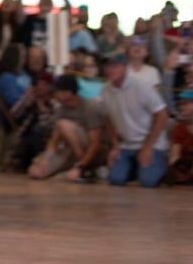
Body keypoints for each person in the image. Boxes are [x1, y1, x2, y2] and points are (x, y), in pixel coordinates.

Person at [101, 53, 170, 188]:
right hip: (127, 143)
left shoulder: (142, 86)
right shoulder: (105, 90)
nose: (111, 70)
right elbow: (107, 117)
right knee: (116, 180)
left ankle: (157, 164)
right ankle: (132, 168)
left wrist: (148, 146)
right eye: (108, 66)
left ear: (125, 67)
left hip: (151, 142)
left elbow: (162, 114)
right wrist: (115, 144)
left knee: (148, 181)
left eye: (115, 66)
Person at [27, 74, 103, 181]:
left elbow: (95, 143)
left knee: (63, 124)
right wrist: (47, 159)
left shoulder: (89, 107)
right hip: (67, 150)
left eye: (56, 91)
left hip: (87, 150)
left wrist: (81, 165)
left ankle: (83, 167)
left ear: (68, 92)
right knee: (35, 172)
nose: (53, 93)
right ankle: (70, 170)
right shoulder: (61, 109)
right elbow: (54, 140)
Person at [165, 90, 193, 185]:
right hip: (185, 165)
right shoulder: (178, 128)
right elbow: (175, 153)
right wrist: (173, 169)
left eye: (185, 104)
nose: (181, 107)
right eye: (180, 104)